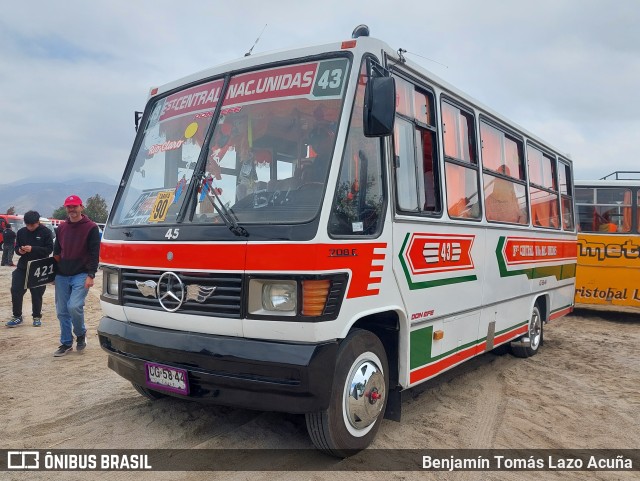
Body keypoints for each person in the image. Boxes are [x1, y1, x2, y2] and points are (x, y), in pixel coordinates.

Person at [52, 195, 101, 357]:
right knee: (61, 311)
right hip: (62, 275)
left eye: (74, 206)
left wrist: (91, 275)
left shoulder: (91, 228)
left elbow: (95, 254)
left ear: (81, 207)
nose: (71, 210)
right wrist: (53, 273)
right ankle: (66, 343)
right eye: (68, 207)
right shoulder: (61, 228)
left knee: (74, 306)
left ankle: (80, 334)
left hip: (81, 274)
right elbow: (57, 253)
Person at [6, 211, 54, 327]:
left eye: (32, 225)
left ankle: (36, 316)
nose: (30, 227)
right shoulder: (21, 232)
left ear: (38, 222)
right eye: (27, 225)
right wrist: (20, 251)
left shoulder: (46, 232)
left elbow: (49, 250)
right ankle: (17, 316)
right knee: (16, 290)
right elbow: (17, 247)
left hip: (39, 267)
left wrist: (33, 249)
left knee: (37, 293)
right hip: (23, 267)